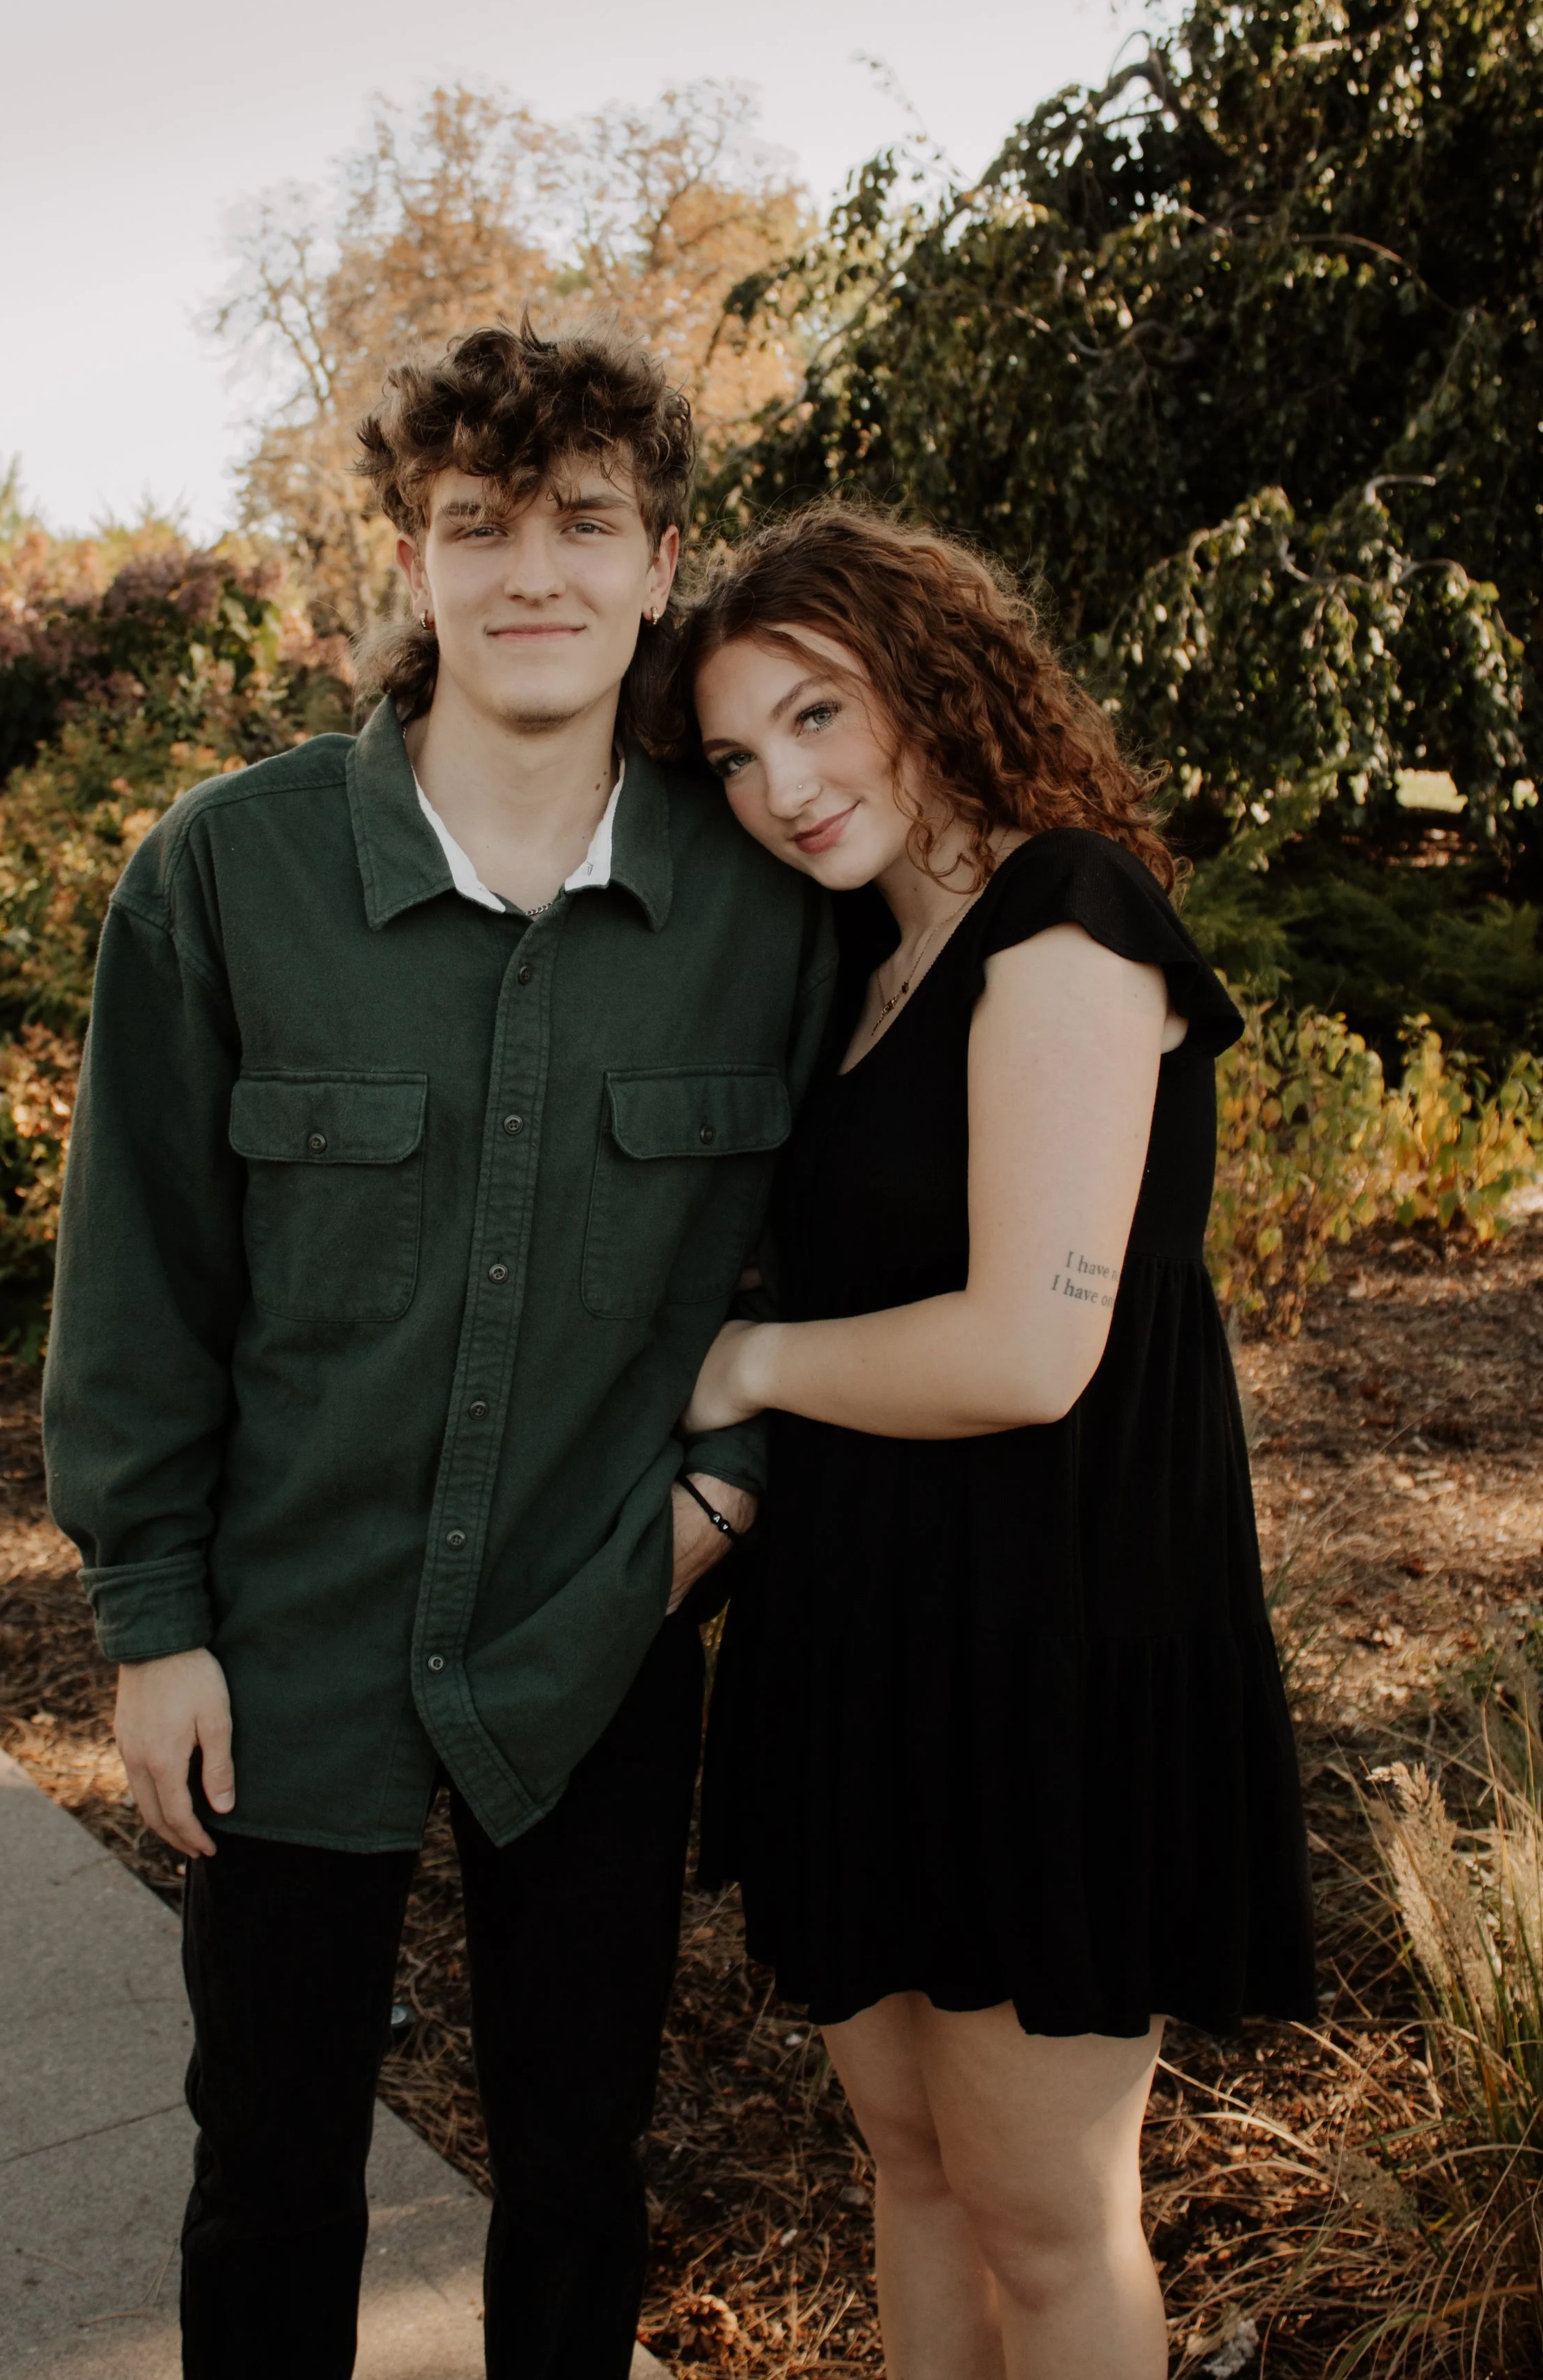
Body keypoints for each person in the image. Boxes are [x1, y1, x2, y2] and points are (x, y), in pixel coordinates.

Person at [41, 321, 835, 2380]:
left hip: (597, 1630)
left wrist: (703, 1524)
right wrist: (154, 1617)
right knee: (270, 2163)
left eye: (584, 521)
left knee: (580, 2160)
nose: (531, 573)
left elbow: (813, 1262)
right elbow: (138, 1277)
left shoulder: (765, 905)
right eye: (476, 526)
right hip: (282, 1642)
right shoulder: (225, 873)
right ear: (413, 562)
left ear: (663, 558)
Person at [665, 502, 1315, 2380]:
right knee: (912, 2167)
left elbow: (1031, 1350)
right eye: (731, 753)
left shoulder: (1068, 910)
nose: (777, 784)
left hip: (1049, 1643)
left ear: (925, 680)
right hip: (863, 1633)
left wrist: (744, 1367)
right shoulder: (859, 976)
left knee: (1043, 2218)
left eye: (813, 713)